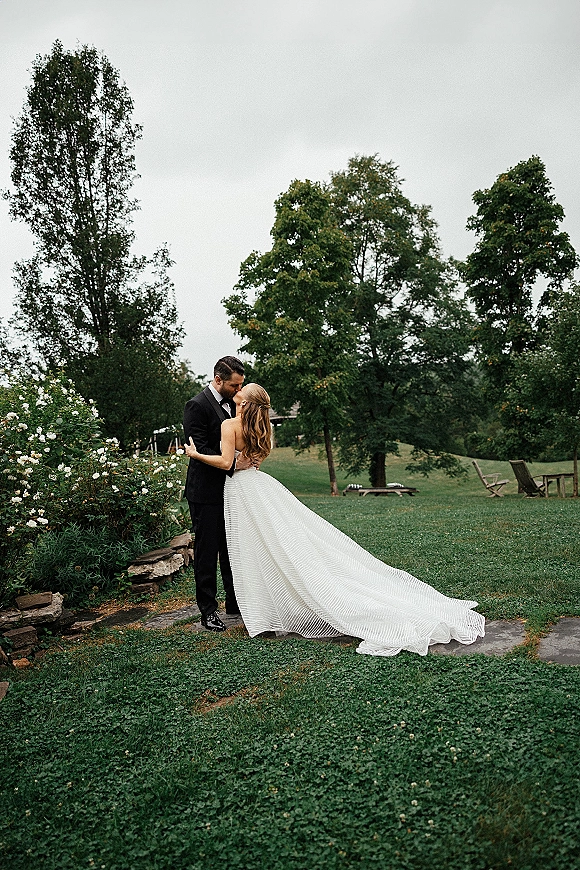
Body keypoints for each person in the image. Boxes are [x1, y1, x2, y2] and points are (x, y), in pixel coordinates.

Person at [185, 383, 485, 656]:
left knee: (252, 549)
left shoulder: (229, 425)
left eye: (242, 391)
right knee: (274, 546)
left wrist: (196, 454)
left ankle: (263, 610)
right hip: (259, 486)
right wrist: (244, 461)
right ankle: (264, 607)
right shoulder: (265, 430)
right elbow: (255, 458)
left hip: (240, 490)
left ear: (246, 402)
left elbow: (226, 463)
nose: (237, 393)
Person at [183, 356, 254, 631]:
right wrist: (234, 462)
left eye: (241, 386)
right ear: (218, 380)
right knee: (206, 551)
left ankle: (235, 601)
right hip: (205, 491)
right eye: (235, 386)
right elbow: (199, 449)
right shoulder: (196, 406)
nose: (239, 392)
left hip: (231, 489)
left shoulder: (236, 406)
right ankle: (208, 610)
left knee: (232, 547)